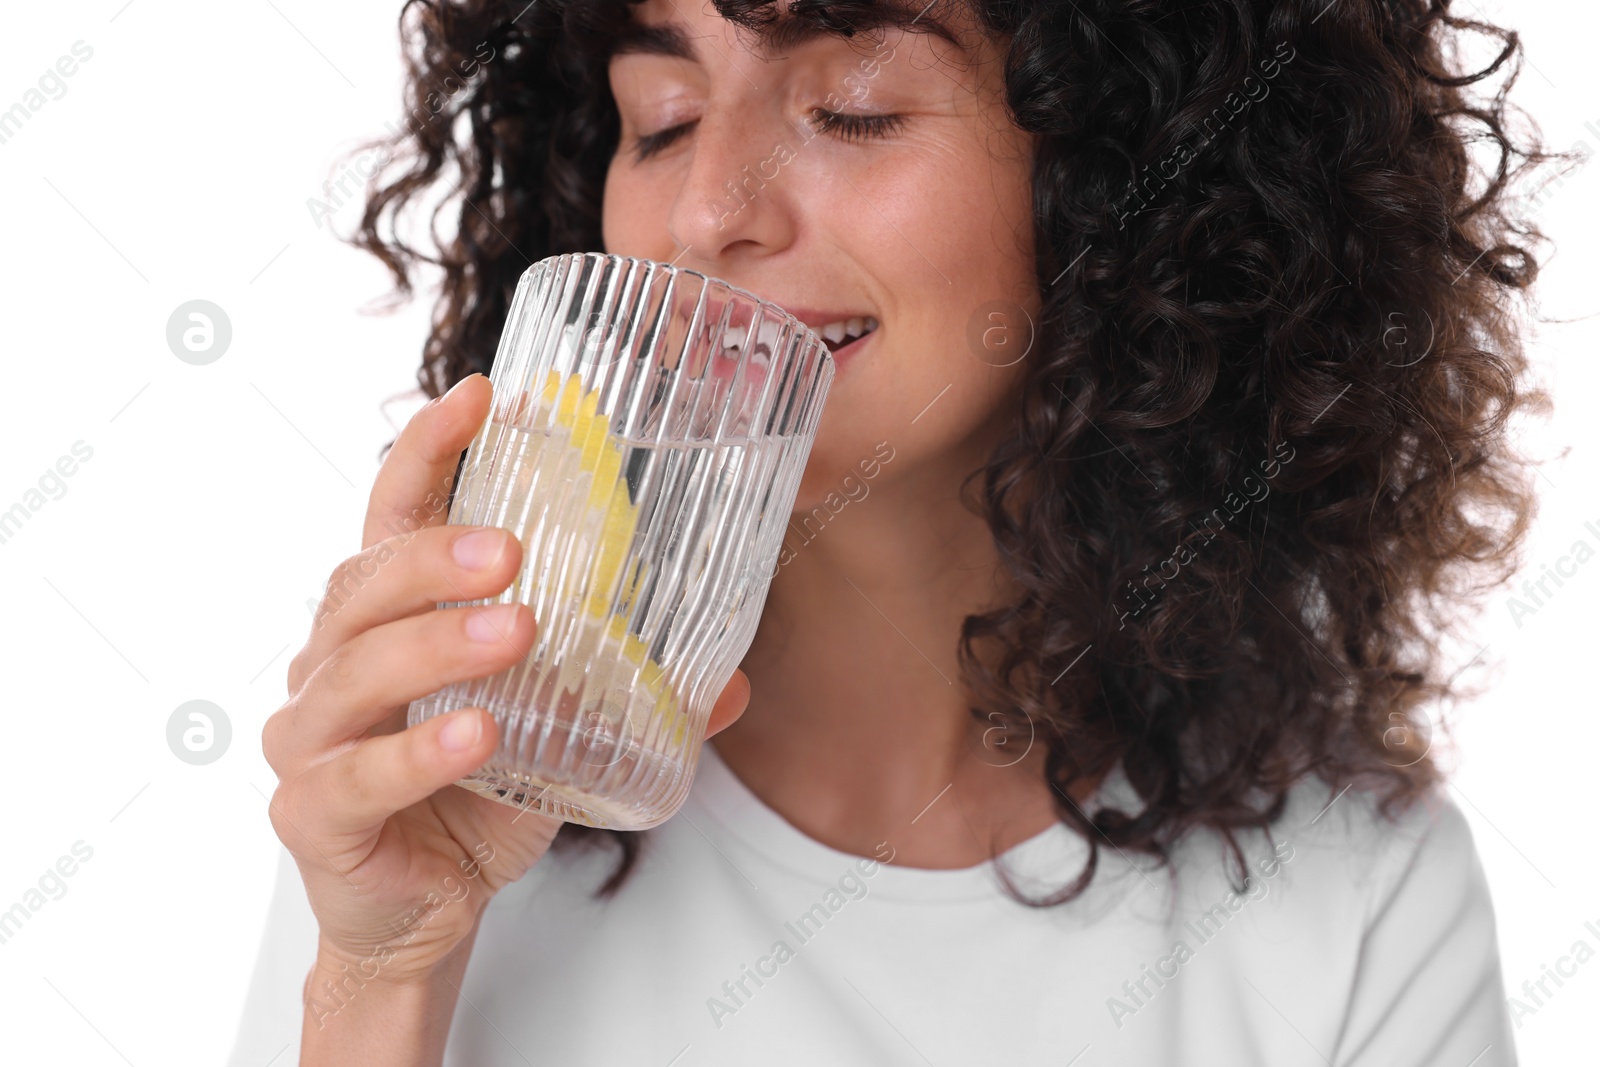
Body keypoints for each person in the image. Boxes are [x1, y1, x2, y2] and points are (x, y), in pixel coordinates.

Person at [230, 0, 1553, 1063]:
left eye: (850, 106)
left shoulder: (1357, 903)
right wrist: (381, 978)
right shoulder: (438, 759)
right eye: (662, 115)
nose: (706, 214)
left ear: (1124, 175)